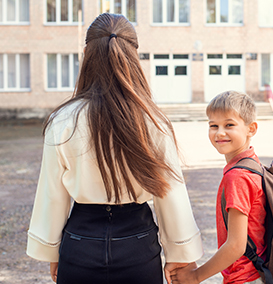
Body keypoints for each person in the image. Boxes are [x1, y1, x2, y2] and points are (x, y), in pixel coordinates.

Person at [26, 13, 203, 284]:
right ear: (134, 56)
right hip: (138, 246)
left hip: (80, 244)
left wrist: (53, 251)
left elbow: (53, 194)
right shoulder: (153, 121)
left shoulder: (63, 120)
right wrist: (179, 253)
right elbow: (170, 190)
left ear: (86, 54)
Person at [170, 91, 266, 284]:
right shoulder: (253, 165)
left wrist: (196, 276)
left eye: (229, 125)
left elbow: (236, 245)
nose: (219, 132)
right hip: (258, 273)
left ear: (251, 129)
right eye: (213, 126)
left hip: (244, 278)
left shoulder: (237, 177)